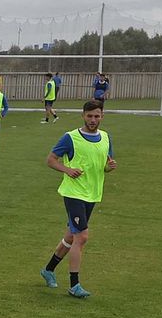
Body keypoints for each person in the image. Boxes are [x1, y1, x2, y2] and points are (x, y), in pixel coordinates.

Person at [40, 99, 116, 298]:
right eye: (89, 116)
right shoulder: (70, 138)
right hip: (74, 193)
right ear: (83, 116)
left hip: (92, 194)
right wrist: (67, 170)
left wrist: (109, 167)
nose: (93, 120)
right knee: (81, 237)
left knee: (71, 236)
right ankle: (75, 285)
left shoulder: (106, 138)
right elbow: (50, 160)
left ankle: (48, 270)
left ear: (102, 116)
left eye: (96, 116)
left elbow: (103, 166)